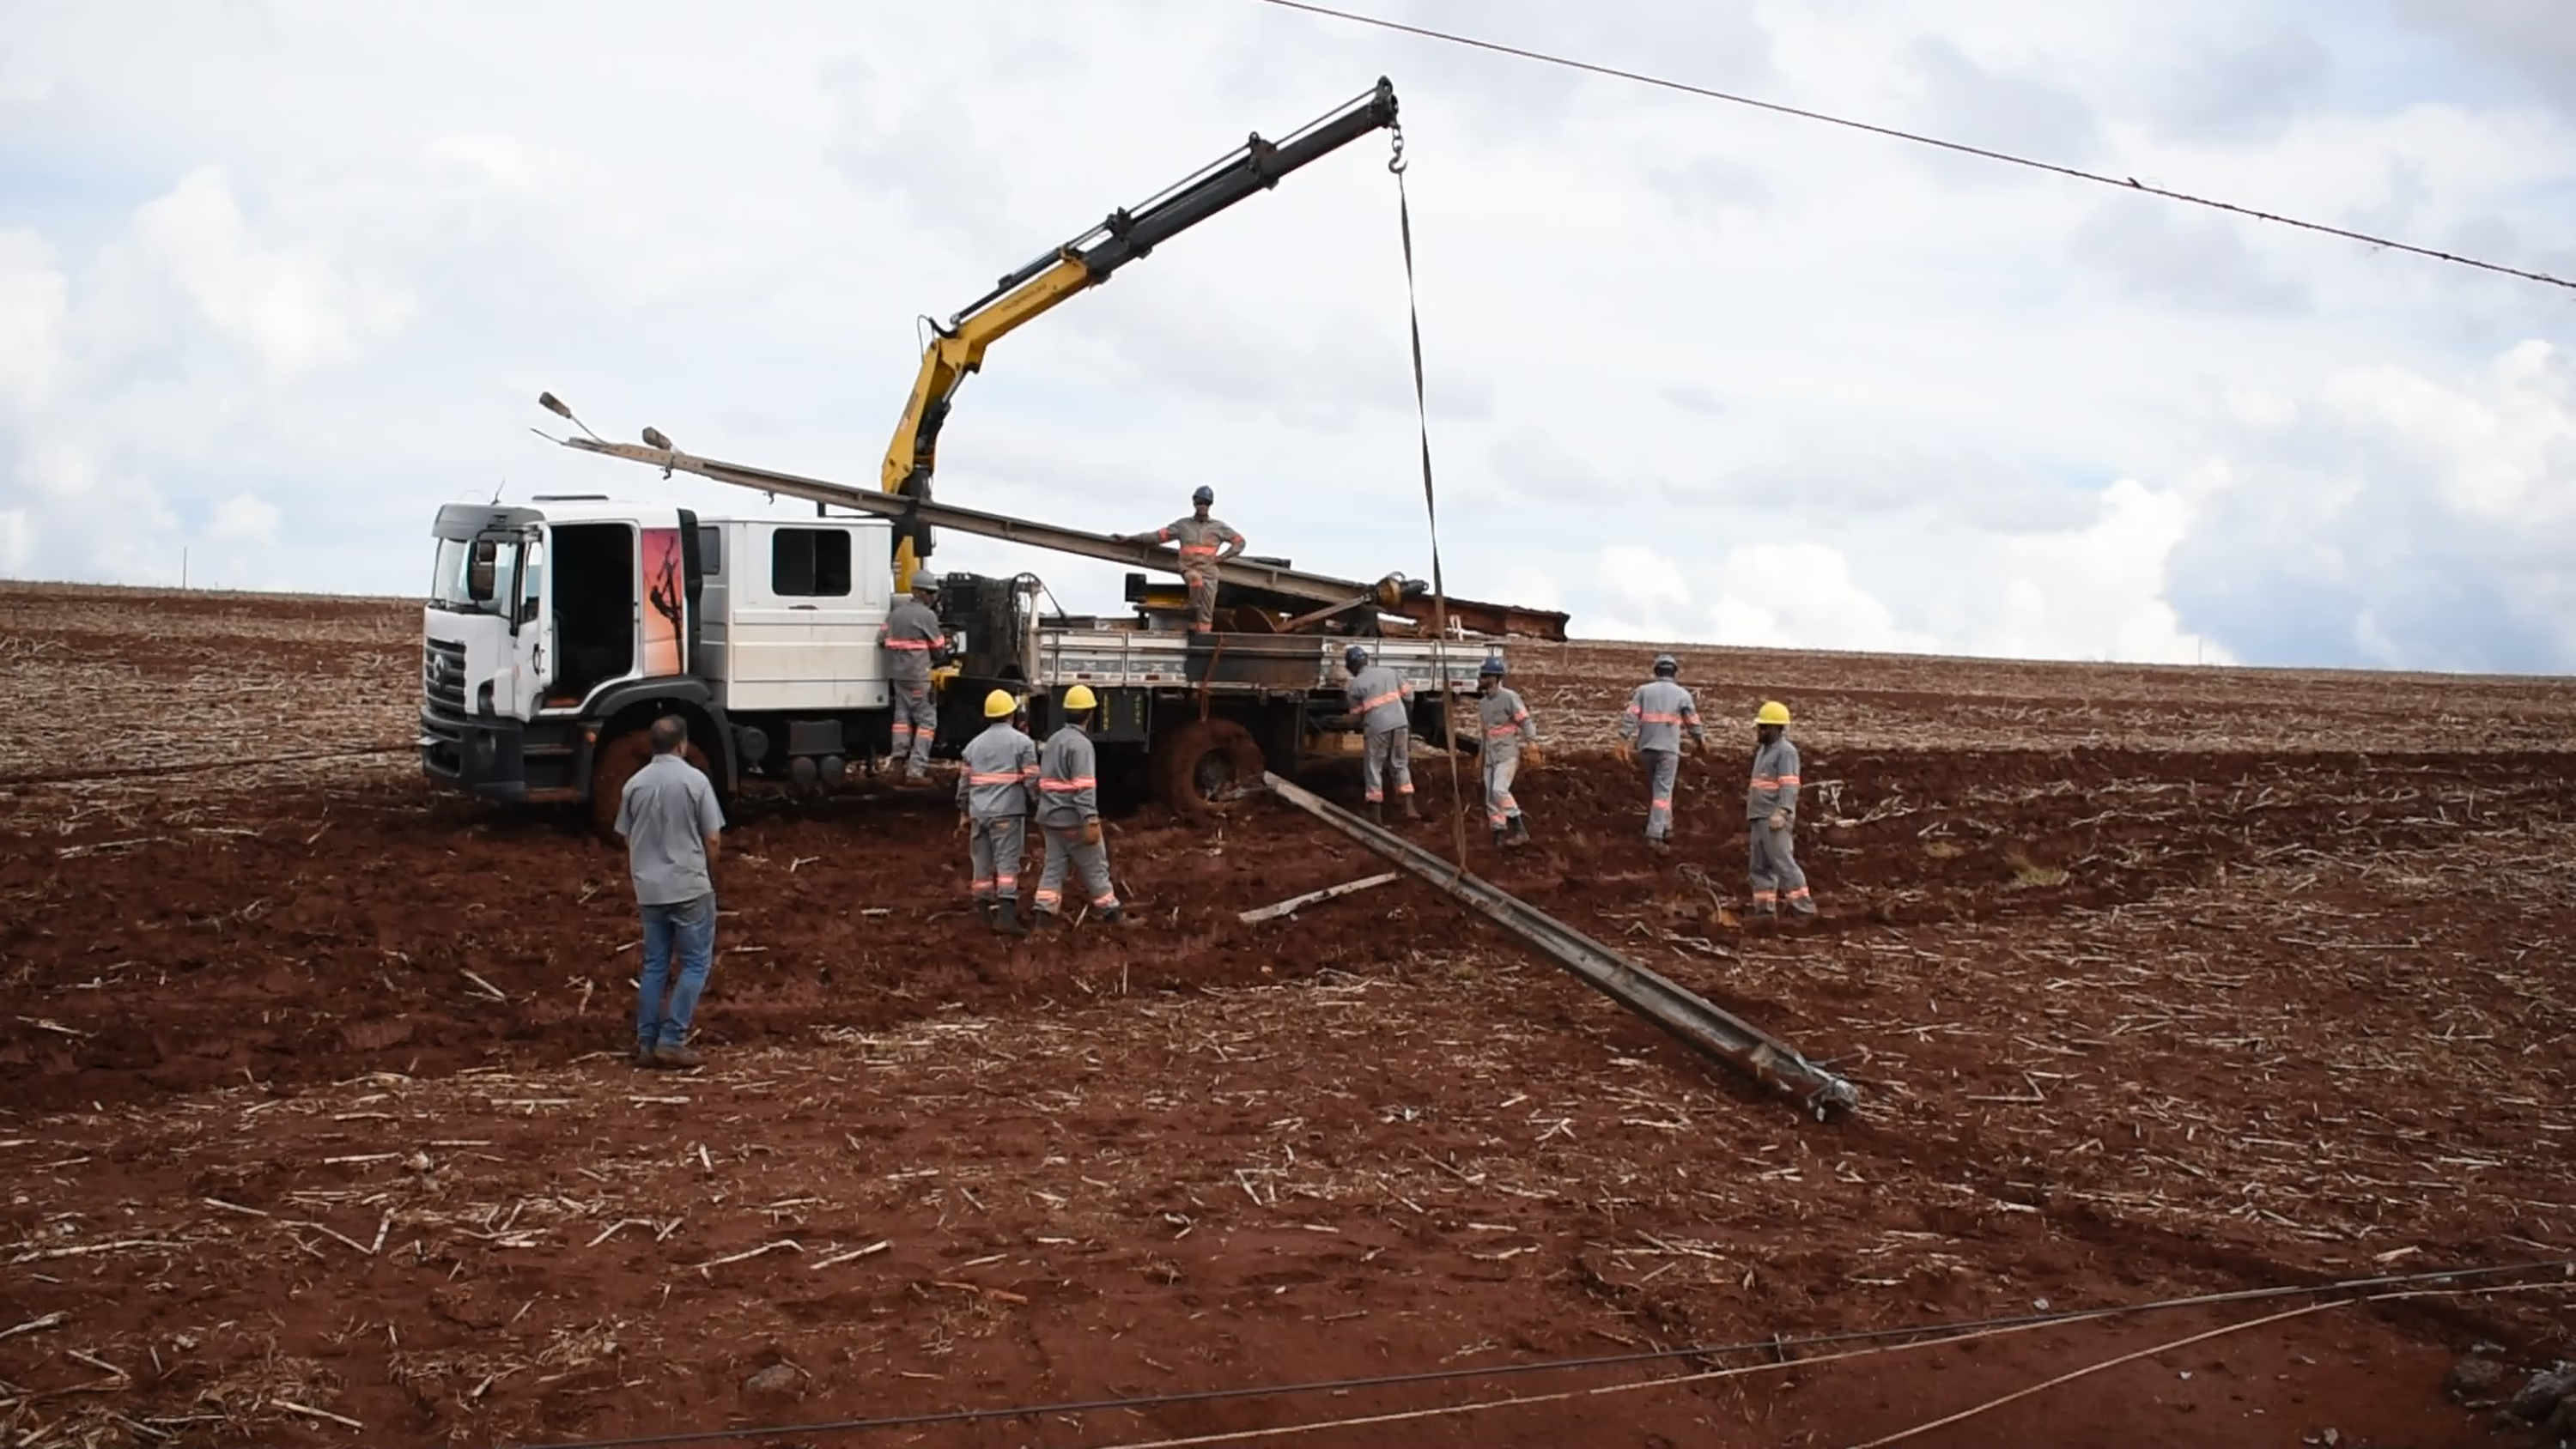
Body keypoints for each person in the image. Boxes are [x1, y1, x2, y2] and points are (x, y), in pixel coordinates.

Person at [613, 715, 725, 1068]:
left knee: (655, 965)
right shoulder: (696, 781)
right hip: (689, 884)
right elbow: (712, 837)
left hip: (649, 890)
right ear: (682, 744)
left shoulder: (634, 785)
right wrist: (710, 874)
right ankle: (672, 1038)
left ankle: (646, 1043)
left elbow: (627, 836)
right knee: (695, 963)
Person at [1033, 685, 1123, 926]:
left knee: (1053, 867)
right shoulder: (1081, 745)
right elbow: (1084, 787)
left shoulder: (1053, 740)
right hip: (1072, 819)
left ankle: (1042, 916)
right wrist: (1090, 819)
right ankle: (1111, 914)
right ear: (1090, 713)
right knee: (1095, 865)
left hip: (1050, 819)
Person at [957, 688, 1040, 936]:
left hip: (979, 814)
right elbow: (1032, 781)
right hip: (1007, 814)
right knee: (1007, 864)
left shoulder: (973, 746)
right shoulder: (1023, 743)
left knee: (981, 864)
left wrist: (964, 811)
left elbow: (963, 786)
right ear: (1011, 715)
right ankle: (1005, 917)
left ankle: (983, 913)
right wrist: (1038, 805)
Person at [1614, 653, 1705, 853]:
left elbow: (1631, 716)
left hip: (1646, 748)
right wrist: (1700, 742)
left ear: (1656, 671)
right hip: (1668, 750)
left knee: (1660, 789)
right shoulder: (1682, 694)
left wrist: (1623, 739)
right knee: (1663, 791)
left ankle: (1667, 826)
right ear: (1674, 672)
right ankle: (1655, 835)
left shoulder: (1643, 691)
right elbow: (1693, 722)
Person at [1122, 486, 1245, 634]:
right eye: (1200, 502)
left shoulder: (1218, 527)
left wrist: (1222, 557)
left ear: (1210, 505)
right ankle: (1191, 607)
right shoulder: (1183, 526)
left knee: (1205, 615)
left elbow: (1239, 542)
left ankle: (1201, 638)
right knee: (1195, 580)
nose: (1203, 506)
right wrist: (1130, 538)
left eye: (1206, 503)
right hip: (1189, 568)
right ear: (1194, 503)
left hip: (1210, 573)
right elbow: (1156, 537)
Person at [1747, 700, 1817, 920]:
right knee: (1759, 866)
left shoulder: (1786, 752)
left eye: (1764, 727)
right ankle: (1765, 911)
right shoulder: (1763, 751)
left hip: (1774, 817)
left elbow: (1789, 784)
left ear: (1777, 728)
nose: (1760, 730)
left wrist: (1783, 811)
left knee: (1783, 863)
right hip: (1759, 816)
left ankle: (1803, 908)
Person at [881, 574, 948, 783]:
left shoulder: (895, 614)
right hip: (918, 677)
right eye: (930, 592)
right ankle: (916, 771)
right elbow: (939, 650)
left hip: (897, 676)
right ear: (920, 592)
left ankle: (898, 762)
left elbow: (881, 639)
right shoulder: (927, 616)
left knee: (901, 719)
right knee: (927, 722)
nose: (932, 597)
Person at [1344, 645, 1419, 822]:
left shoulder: (1355, 685)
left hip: (1377, 727)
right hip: (1401, 724)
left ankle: (1375, 815)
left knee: (1373, 767)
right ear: (1367, 660)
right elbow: (1410, 697)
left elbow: (1356, 715)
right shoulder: (1390, 672)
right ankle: (1410, 809)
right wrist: (1405, 718)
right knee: (1400, 764)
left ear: (1351, 666)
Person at [1474, 656, 1540, 848]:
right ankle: (1498, 834)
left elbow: (1525, 720)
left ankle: (1520, 830)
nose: (1481, 679)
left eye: (1484, 675)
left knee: (1499, 790)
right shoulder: (1483, 704)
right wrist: (1481, 755)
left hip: (1507, 755)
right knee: (1491, 797)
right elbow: (1485, 733)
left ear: (1495, 678)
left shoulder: (1509, 697)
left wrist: (1532, 743)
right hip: (1491, 756)